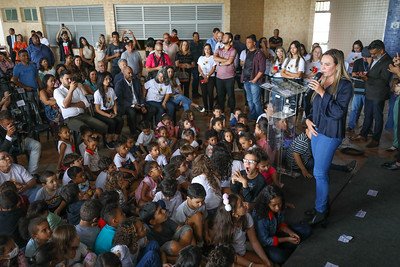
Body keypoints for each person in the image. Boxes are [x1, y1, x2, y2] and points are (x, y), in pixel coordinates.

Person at [305, 49, 353, 225]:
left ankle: (321, 210)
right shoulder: (321, 79)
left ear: (337, 65)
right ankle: (322, 205)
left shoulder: (345, 85)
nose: (322, 67)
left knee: (319, 172)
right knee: (320, 172)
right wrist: (308, 121)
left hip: (331, 133)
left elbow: (338, 112)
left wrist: (322, 92)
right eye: (322, 63)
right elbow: (312, 106)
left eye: (327, 64)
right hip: (317, 131)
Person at [253, 186, 311, 265]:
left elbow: (281, 224)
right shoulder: (260, 216)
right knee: (280, 257)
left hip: (277, 232)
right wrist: (287, 239)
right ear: (266, 204)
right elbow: (264, 240)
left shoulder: (281, 206)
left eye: (279, 204)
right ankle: (287, 246)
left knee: (307, 230)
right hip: (266, 242)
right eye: (274, 205)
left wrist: (290, 232)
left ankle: (287, 246)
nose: (277, 208)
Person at [351, 40, 393, 148]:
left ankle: (376, 139)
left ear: (382, 50)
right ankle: (363, 134)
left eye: (374, 53)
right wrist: (364, 76)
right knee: (367, 114)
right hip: (369, 91)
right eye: (371, 54)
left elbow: (384, 80)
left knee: (377, 116)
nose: (372, 55)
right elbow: (373, 73)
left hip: (378, 94)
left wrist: (367, 78)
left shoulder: (388, 61)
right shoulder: (376, 58)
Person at [211, 193, 272, 267]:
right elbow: (231, 256)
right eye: (241, 205)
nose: (246, 204)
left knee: (268, 264)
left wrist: (266, 261)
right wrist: (252, 265)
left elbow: (254, 241)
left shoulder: (246, 217)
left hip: (242, 252)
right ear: (234, 214)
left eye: (243, 201)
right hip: (231, 259)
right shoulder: (224, 231)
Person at [54, 70, 108, 135]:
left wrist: (70, 104)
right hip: (70, 118)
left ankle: (104, 141)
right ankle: (84, 144)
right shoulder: (57, 91)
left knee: (103, 126)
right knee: (86, 131)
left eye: (71, 78)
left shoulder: (77, 88)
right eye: (67, 79)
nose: (70, 81)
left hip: (83, 115)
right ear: (61, 79)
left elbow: (85, 104)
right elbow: (65, 104)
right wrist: (71, 90)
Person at [115, 66, 155, 134]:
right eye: (129, 73)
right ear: (124, 74)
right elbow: (120, 100)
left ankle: (141, 124)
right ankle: (133, 132)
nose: (131, 75)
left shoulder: (136, 81)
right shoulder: (119, 84)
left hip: (138, 104)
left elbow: (140, 95)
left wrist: (142, 105)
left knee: (152, 109)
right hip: (127, 105)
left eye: (132, 73)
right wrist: (133, 105)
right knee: (132, 112)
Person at [0, 110, 42, 175]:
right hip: (7, 147)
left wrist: (22, 131)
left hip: (19, 141)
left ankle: (32, 173)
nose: (10, 125)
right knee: (7, 158)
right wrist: (8, 135)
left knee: (36, 145)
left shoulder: (15, 120)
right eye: (7, 124)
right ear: (1, 122)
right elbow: (2, 150)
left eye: (11, 122)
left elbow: (26, 130)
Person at [94, 73, 123, 146]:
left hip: (110, 111)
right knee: (112, 122)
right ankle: (108, 140)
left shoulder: (111, 90)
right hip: (101, 112)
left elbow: (115, 103)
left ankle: (115, 138)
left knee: (120, 120)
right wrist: (107, 115)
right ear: (101, 80)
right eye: (106, 79)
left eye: (109, 79)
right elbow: (97, 109)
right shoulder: (97, 93)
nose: (108, 81)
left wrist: (115, 112)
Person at [242, 35, 266, 120]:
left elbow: (262, 69)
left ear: (254, 43)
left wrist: (255, 79)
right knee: (249, 100)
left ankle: (260, 117)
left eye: (249, 42)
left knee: (256, 100)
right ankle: (253, 115)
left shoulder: (259, 53)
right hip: (246, 80)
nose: (247, 44)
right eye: (246, 43)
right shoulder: (248, 52)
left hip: (254, 81)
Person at [347, 48, 371, 133]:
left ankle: (368, 128)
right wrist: (360, 75)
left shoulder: (372, 63)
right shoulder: (358, 62)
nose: (365, 58)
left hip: (368, 90)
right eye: (364, 56)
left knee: (367, 111)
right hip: (358, 89)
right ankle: (351, 126)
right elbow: (353, 73)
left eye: (367, 57)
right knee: (354, 109)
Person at [214, 32, 237, 115]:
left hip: (229, 77)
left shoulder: (233, 50)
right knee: (220, 96)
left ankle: (232, 113)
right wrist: (225, 60)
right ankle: (221, 112)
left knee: (231, 96)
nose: (223, 38)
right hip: (219, 77)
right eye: (223, 37)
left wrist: (219, 62)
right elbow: (214, 57)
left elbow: (230, 61)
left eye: (225, 37)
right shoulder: (219, 49)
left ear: (230, 39)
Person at [198, 43, 217, 113]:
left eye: (208, 49)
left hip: (211, 77)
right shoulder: (201, 58)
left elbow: (213, 68)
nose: (207, 50)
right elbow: (199, 68)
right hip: (202, 77)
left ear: (210, 50)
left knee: (210, 93)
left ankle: (211, 108)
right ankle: (206, 108)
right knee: (204, 93)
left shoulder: (213, 57)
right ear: (204, 50)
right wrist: (203, 75)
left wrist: (208, 75)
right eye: (205, 49)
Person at [190, 32, 204, 99]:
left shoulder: (201, 44)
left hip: (201, 64)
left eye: (198, 36)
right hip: (194, 65)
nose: (197, 38)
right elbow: (190, 54)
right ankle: (194, 93)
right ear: (193, 37)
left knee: (200, 79)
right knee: (195, 79)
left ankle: (197, 92)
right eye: (195, 36)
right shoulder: (190, 44)